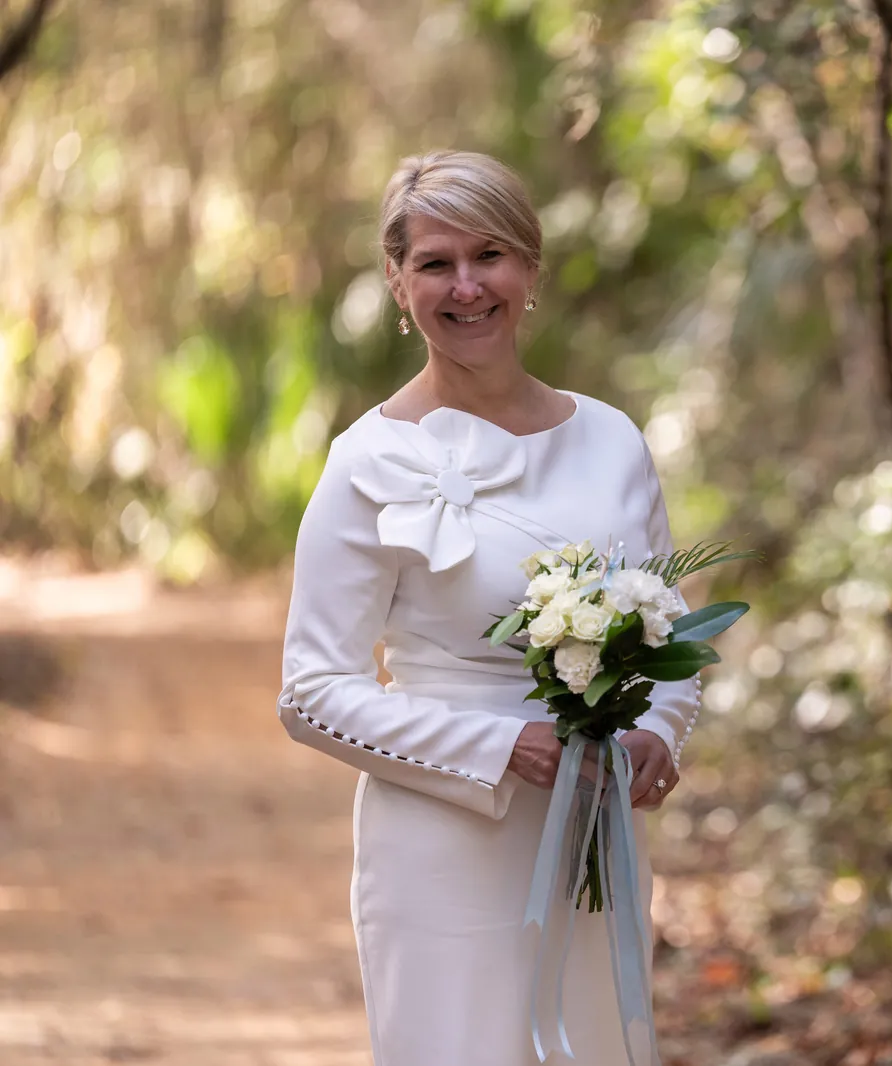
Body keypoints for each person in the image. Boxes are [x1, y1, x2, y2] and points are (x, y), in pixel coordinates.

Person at [277, 150, 699, 1066]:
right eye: (434, 263)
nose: (466, 287)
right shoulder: (366, 461)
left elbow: (672, 631)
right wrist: (499, 747)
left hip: (596, 833)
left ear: (531, 267)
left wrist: (657, 731)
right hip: (442, 850)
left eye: (490, 255)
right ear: (397, 282)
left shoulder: (613, 440)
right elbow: (311, 691)